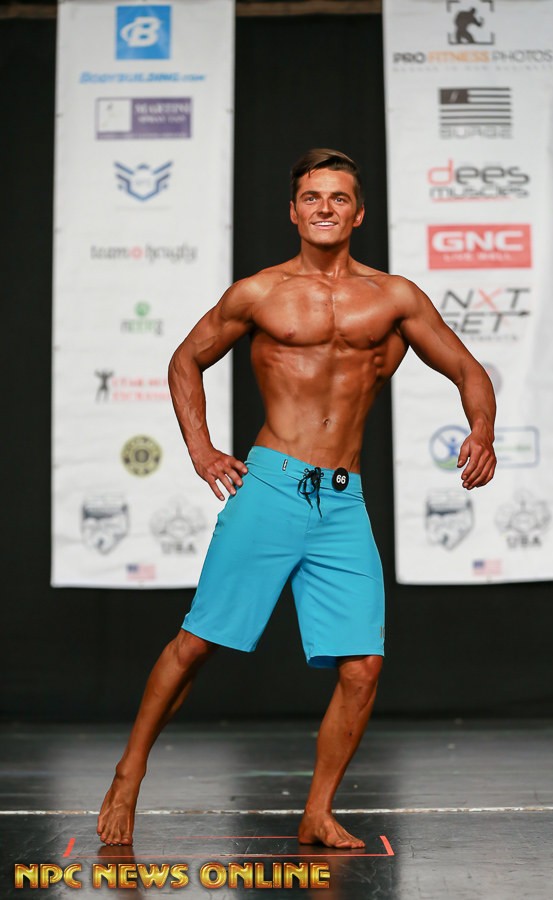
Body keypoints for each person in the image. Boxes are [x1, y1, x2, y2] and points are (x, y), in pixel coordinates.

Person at [97, 148, 496, 850]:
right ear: (293, 211)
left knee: (363, 666)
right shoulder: (259, 293)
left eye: (339, 197)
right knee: (196, 643)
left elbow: (467, 369)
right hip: (272, 486)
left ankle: (317, 811)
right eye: (312, 197)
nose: (324, 208)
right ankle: (129, 772)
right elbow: (185, 358)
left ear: (358, 213)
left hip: (342, 500)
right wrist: (201, 450)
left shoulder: (395, 298)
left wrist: (483, 430)